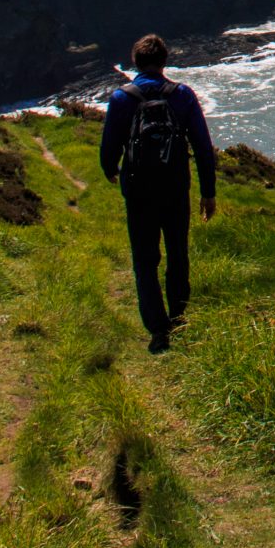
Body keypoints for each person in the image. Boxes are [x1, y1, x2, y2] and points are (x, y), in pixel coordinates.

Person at [98, 33, 217, 354]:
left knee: (145, 260)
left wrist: (110, 169)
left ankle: (157, 328)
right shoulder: (183, 96)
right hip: (176, 188)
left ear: (135, 62)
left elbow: (109, 146)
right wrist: (209, 192)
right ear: (165, 62)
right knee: (178, 255)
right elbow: (204, 148)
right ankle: (178, 318)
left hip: (138, 192)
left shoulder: (122, 98)